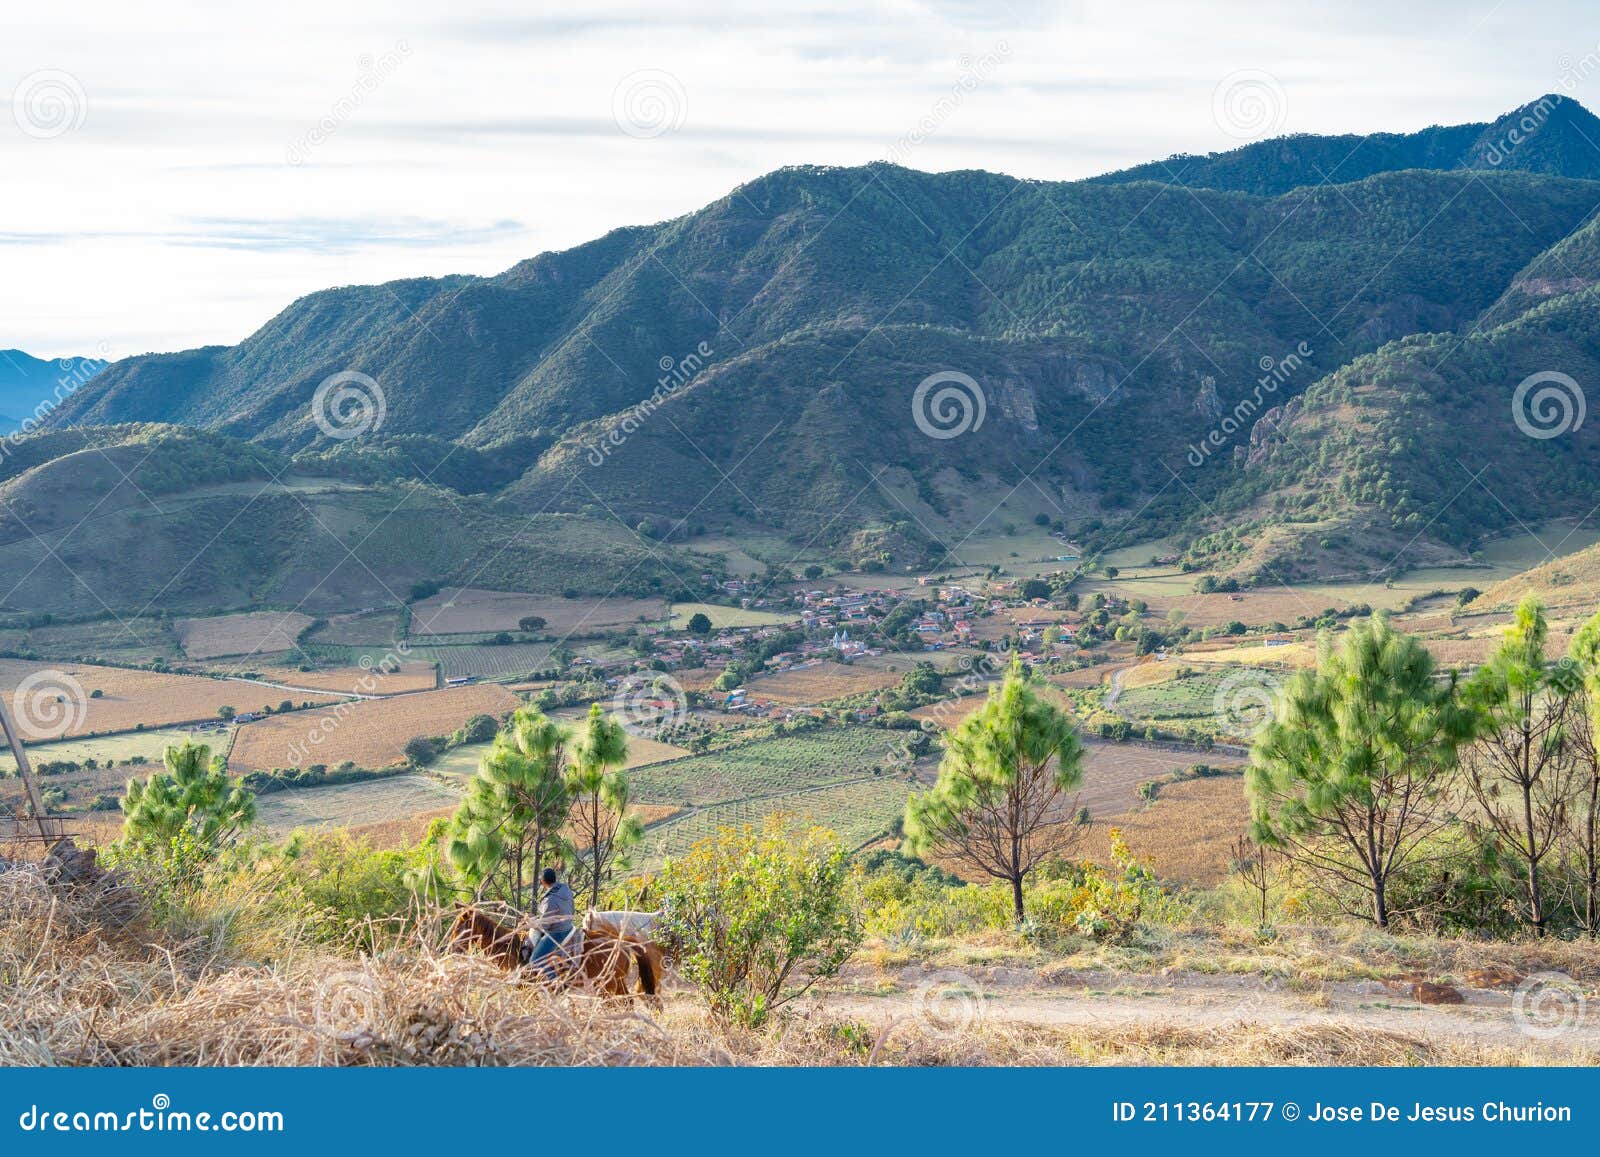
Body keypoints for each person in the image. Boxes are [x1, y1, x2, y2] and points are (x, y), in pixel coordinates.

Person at [524, 867, 575, 977]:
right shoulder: (566, 889)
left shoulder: (550, 900)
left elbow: (545, 926)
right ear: (555, 879)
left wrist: (529, 924)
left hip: (558, 933)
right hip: (569, 926)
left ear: (542, 882)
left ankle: (555, 984)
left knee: (535, 960)